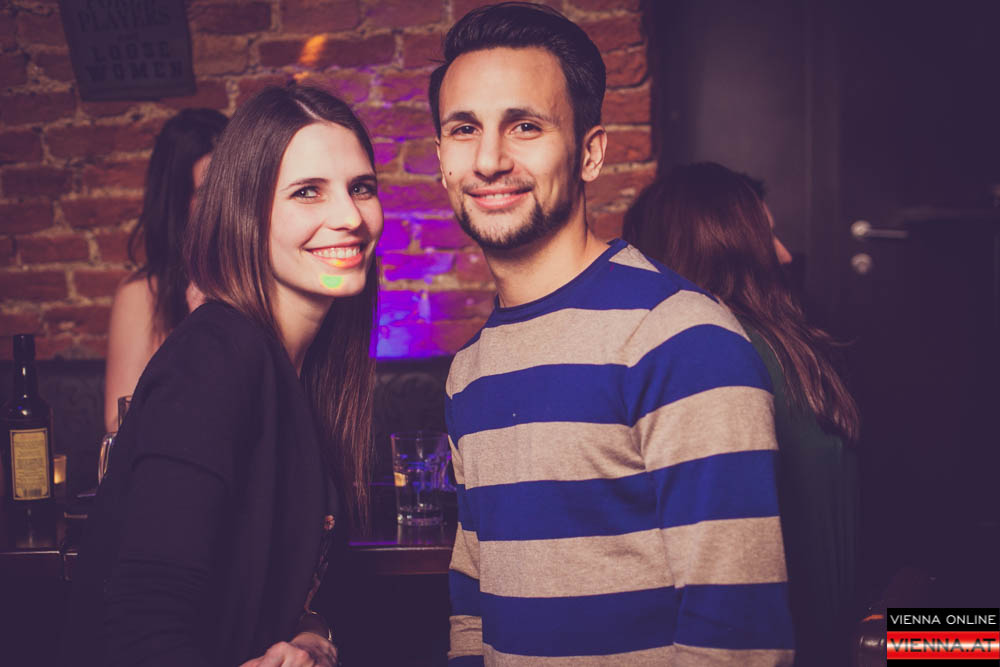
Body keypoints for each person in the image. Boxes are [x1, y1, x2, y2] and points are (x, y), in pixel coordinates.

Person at [429, 3, 795, 664]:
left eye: (525, 126)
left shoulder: (681, 338)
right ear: (441, 159)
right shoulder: (470, 372)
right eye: (464, 129)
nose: (489, 159)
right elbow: (473, 600)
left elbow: (738, 635)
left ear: (591, 153)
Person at [63, 85, 383, 667]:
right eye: (308, 191)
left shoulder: (303, 369)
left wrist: (311, 635)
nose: (350, 216)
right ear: (244, 215)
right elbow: (140, 628)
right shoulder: (216, 355)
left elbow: (282, 585)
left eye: (361, 187)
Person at [623, 161, 860, 666]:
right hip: (855, 630)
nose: (785, 254)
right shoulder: (781, 350)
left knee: (971, 639)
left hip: (815, 643)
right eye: (767, 237)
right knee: (975, 638)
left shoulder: (717, 356)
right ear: (723, 249)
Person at [103, 108, 228, 432]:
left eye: (232, 186)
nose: (226, 203)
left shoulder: (263, 280)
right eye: (208, 192)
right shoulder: (144, 294)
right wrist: (197, 338)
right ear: (179, 203)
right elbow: (120, 424)